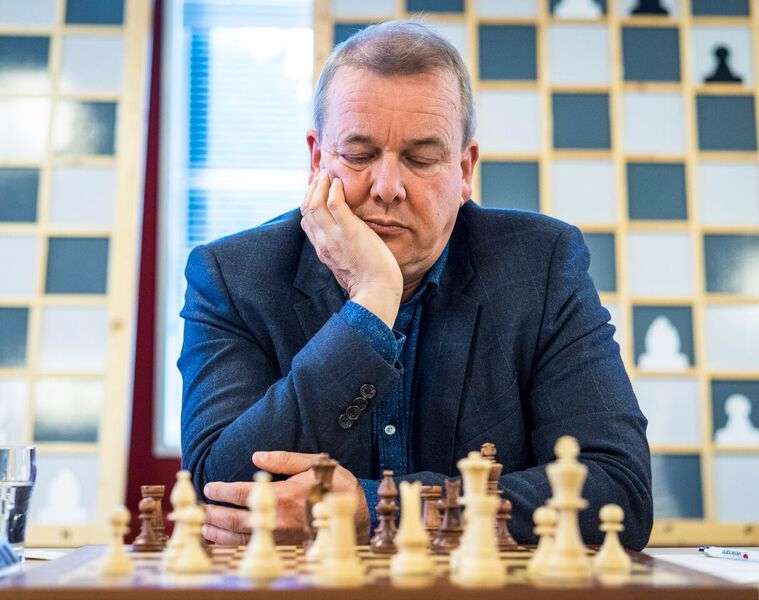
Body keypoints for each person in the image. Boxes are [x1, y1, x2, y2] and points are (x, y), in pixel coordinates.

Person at [179, 21, 652, 550]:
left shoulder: (540, 265)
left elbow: (618, 492)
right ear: (316, 159)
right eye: (358, 155)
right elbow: (219, 490)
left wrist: (379, 511)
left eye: (421, 158)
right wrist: (371, 304)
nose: (388, 188)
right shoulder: (232, 276)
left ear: (465, 169)